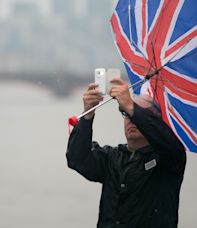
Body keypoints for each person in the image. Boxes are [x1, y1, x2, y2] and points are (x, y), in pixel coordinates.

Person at [66, 77, 186, 228]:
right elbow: (77, 159)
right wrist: (87, 116)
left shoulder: (169, 158)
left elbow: (168, 143)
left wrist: (130, 106)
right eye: (125, 113)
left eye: (137, 113)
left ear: (155, 121)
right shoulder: (113, 158)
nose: (131, 119)